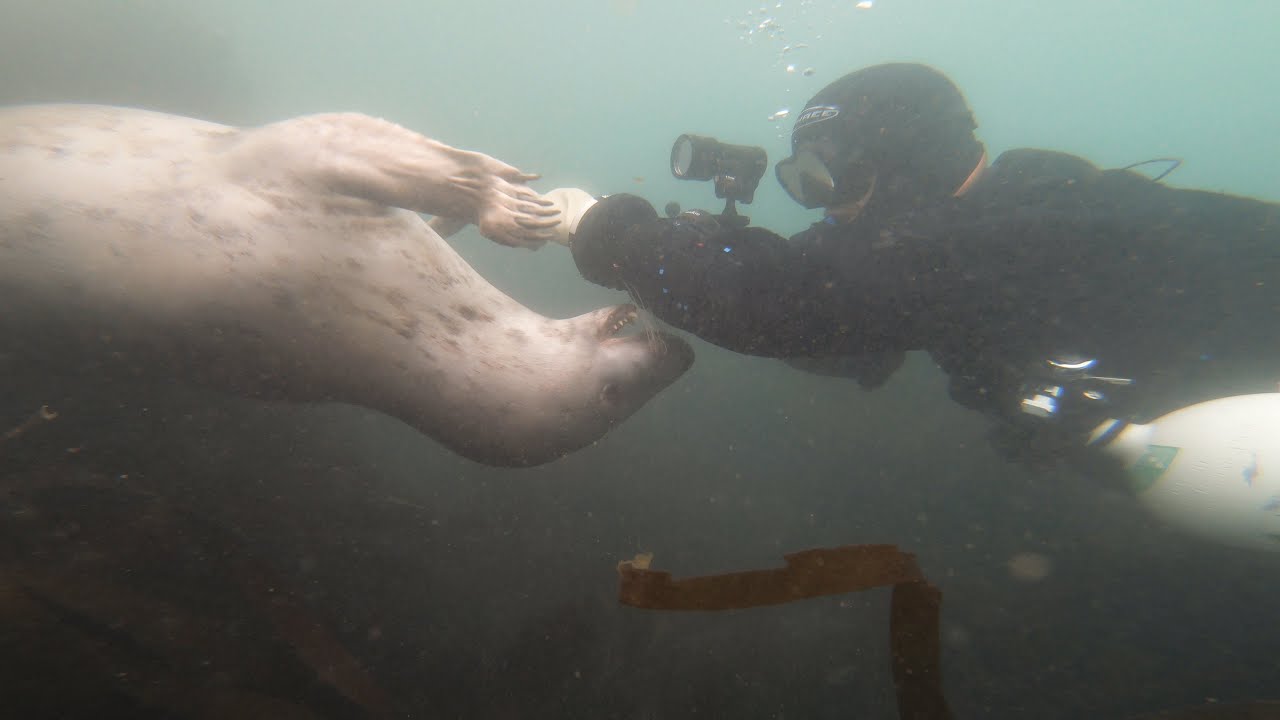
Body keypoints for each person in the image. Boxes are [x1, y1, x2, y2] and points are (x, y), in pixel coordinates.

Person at [543, 63, 1280, 465]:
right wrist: (704, 245)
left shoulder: (1013, 234)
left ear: (909, 165)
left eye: (836, 182)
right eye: (806, 187)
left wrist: (608, 232)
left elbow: (785, 306)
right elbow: (845, 336)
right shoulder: (963, 235)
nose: (826, 211)